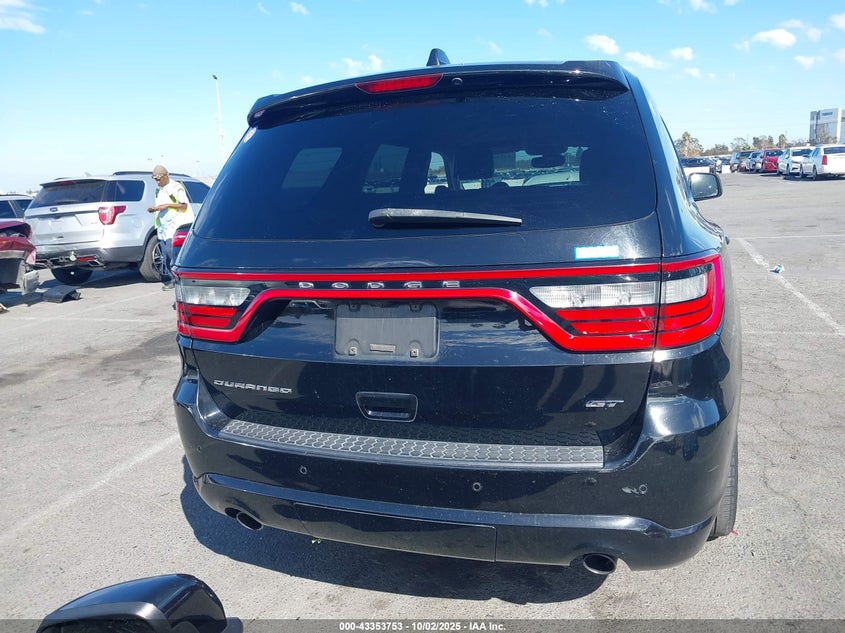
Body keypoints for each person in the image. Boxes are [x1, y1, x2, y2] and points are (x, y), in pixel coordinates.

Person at [147, 164, 193, 289]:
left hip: (175, 225)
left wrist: (167, 205)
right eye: (155, 180)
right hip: (163, 226)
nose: (157, 182)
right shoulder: (159, 189)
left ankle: (177, 278)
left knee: (170, 252)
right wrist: (155, 209)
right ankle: (170, 278)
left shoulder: (176, 187)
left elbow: (184, 205)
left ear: (166, 176)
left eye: (159, 179)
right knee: (165, 254)